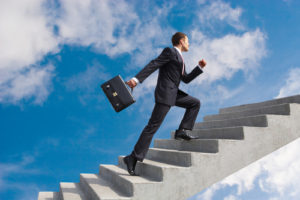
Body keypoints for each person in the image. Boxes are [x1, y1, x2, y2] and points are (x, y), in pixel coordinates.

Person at [124, 32, 207, 176]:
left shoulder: (180, 58)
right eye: (188, 41)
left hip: (174, 94)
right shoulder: (169, 51)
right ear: (181, 41)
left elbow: (185, 79)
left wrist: (199, 68)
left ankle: (182, 131)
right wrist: (136, 80)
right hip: (165, 94)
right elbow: (154, 64)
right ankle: (132, 158)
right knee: (152, 127)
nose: (189, 44)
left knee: (195, 103)